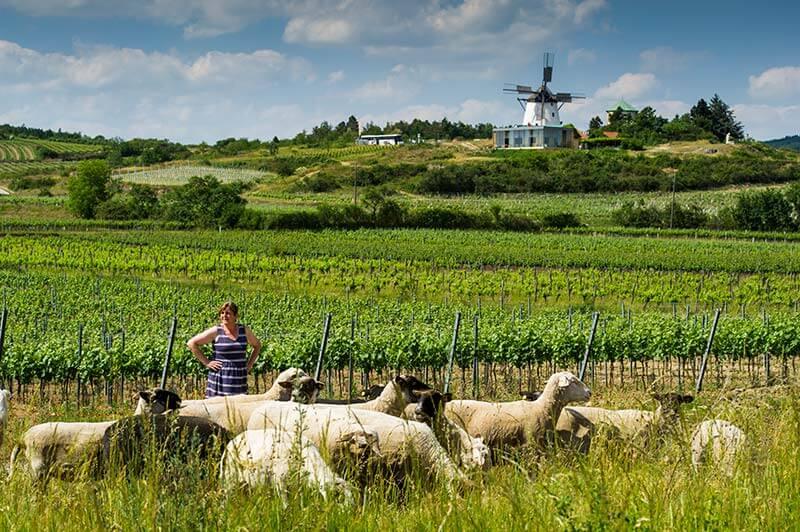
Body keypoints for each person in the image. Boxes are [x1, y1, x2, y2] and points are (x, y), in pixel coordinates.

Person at [187, 301, 261, 398]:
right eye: (222, 313)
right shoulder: (216, 331)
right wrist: (207, 362)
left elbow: (257, 345)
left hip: (239, 379)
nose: (224, 316)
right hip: (220, 378)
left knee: (238, 409)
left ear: (236, 316)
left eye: (228, 313)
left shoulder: (244, 330)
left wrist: (249, 365)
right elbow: (191, 343)